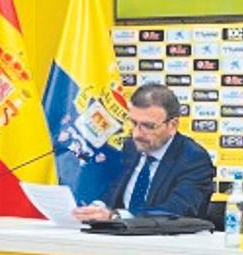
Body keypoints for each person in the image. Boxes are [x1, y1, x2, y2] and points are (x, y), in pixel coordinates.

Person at [72, 84, 214, 221]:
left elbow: (175, 211)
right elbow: (113, 192)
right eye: (133, 123)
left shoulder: (193, 159)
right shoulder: (130, 147)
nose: (137, 134)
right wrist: (97, 208)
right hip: (119, 239)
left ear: (173, 125)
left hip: (164, 241)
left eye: (148, 126)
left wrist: (116, 216)